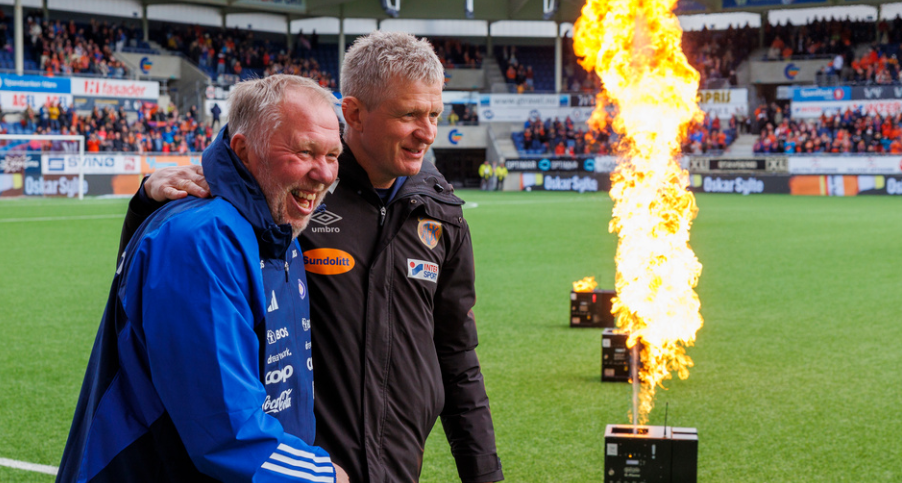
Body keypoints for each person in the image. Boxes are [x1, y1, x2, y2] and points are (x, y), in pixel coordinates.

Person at [130, 31, 503, 483]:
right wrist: (151, 200)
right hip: (304, 467)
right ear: (354, 113)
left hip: (399, 465)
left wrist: (483, 474)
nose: (427, 132)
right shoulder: (292, 196)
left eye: (434, 114)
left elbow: (457, 355)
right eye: (409, 115)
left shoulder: (441, 213)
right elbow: (182, 263)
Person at [57, 75, 349, 483]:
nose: (324, 173)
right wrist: (323, 476)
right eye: (305, 151)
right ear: (244, 150)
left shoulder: (280, 231)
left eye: (333, 155)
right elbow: (225, 431)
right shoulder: (203, 239)